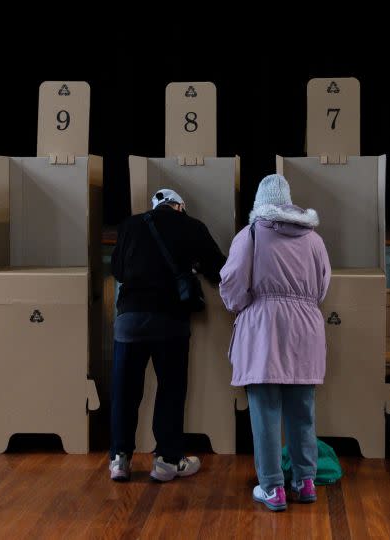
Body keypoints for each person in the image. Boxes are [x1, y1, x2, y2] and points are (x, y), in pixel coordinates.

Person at [219, 174, 331, 512]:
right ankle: (305, 480)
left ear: (259, 203)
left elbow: (233, 283)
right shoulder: (314, 239)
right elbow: (323, 287)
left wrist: (246, 304)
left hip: (264, 329)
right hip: (306, 329)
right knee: (303, 412)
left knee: (265, 413)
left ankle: (272, 488)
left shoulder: (251, 234)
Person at [108, 188, 226, 482]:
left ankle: (119, 460)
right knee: (170, 390)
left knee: (125, 392)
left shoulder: (130, 225)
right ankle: (167, 461)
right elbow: (219, 268)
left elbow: (118, 270)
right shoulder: (192, 226)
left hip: (130, 320)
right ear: (179, 207)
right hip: (170, 321)